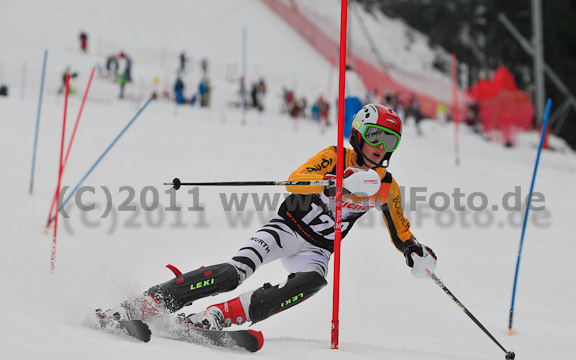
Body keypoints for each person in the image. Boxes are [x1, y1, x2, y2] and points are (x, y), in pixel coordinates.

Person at [102, 104, 437, 331]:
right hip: (286, 229)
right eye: (376, 135)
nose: (381, 146)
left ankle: (219, 316)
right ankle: (145, 304)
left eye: (389, 139)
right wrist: (333, 184)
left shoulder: (386, 188)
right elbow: (296, 179)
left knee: (313, 282)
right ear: (360, 134)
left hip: (317, 250)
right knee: (234, 272)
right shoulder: (335, 156)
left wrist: (415, 251)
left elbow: (400, 232)